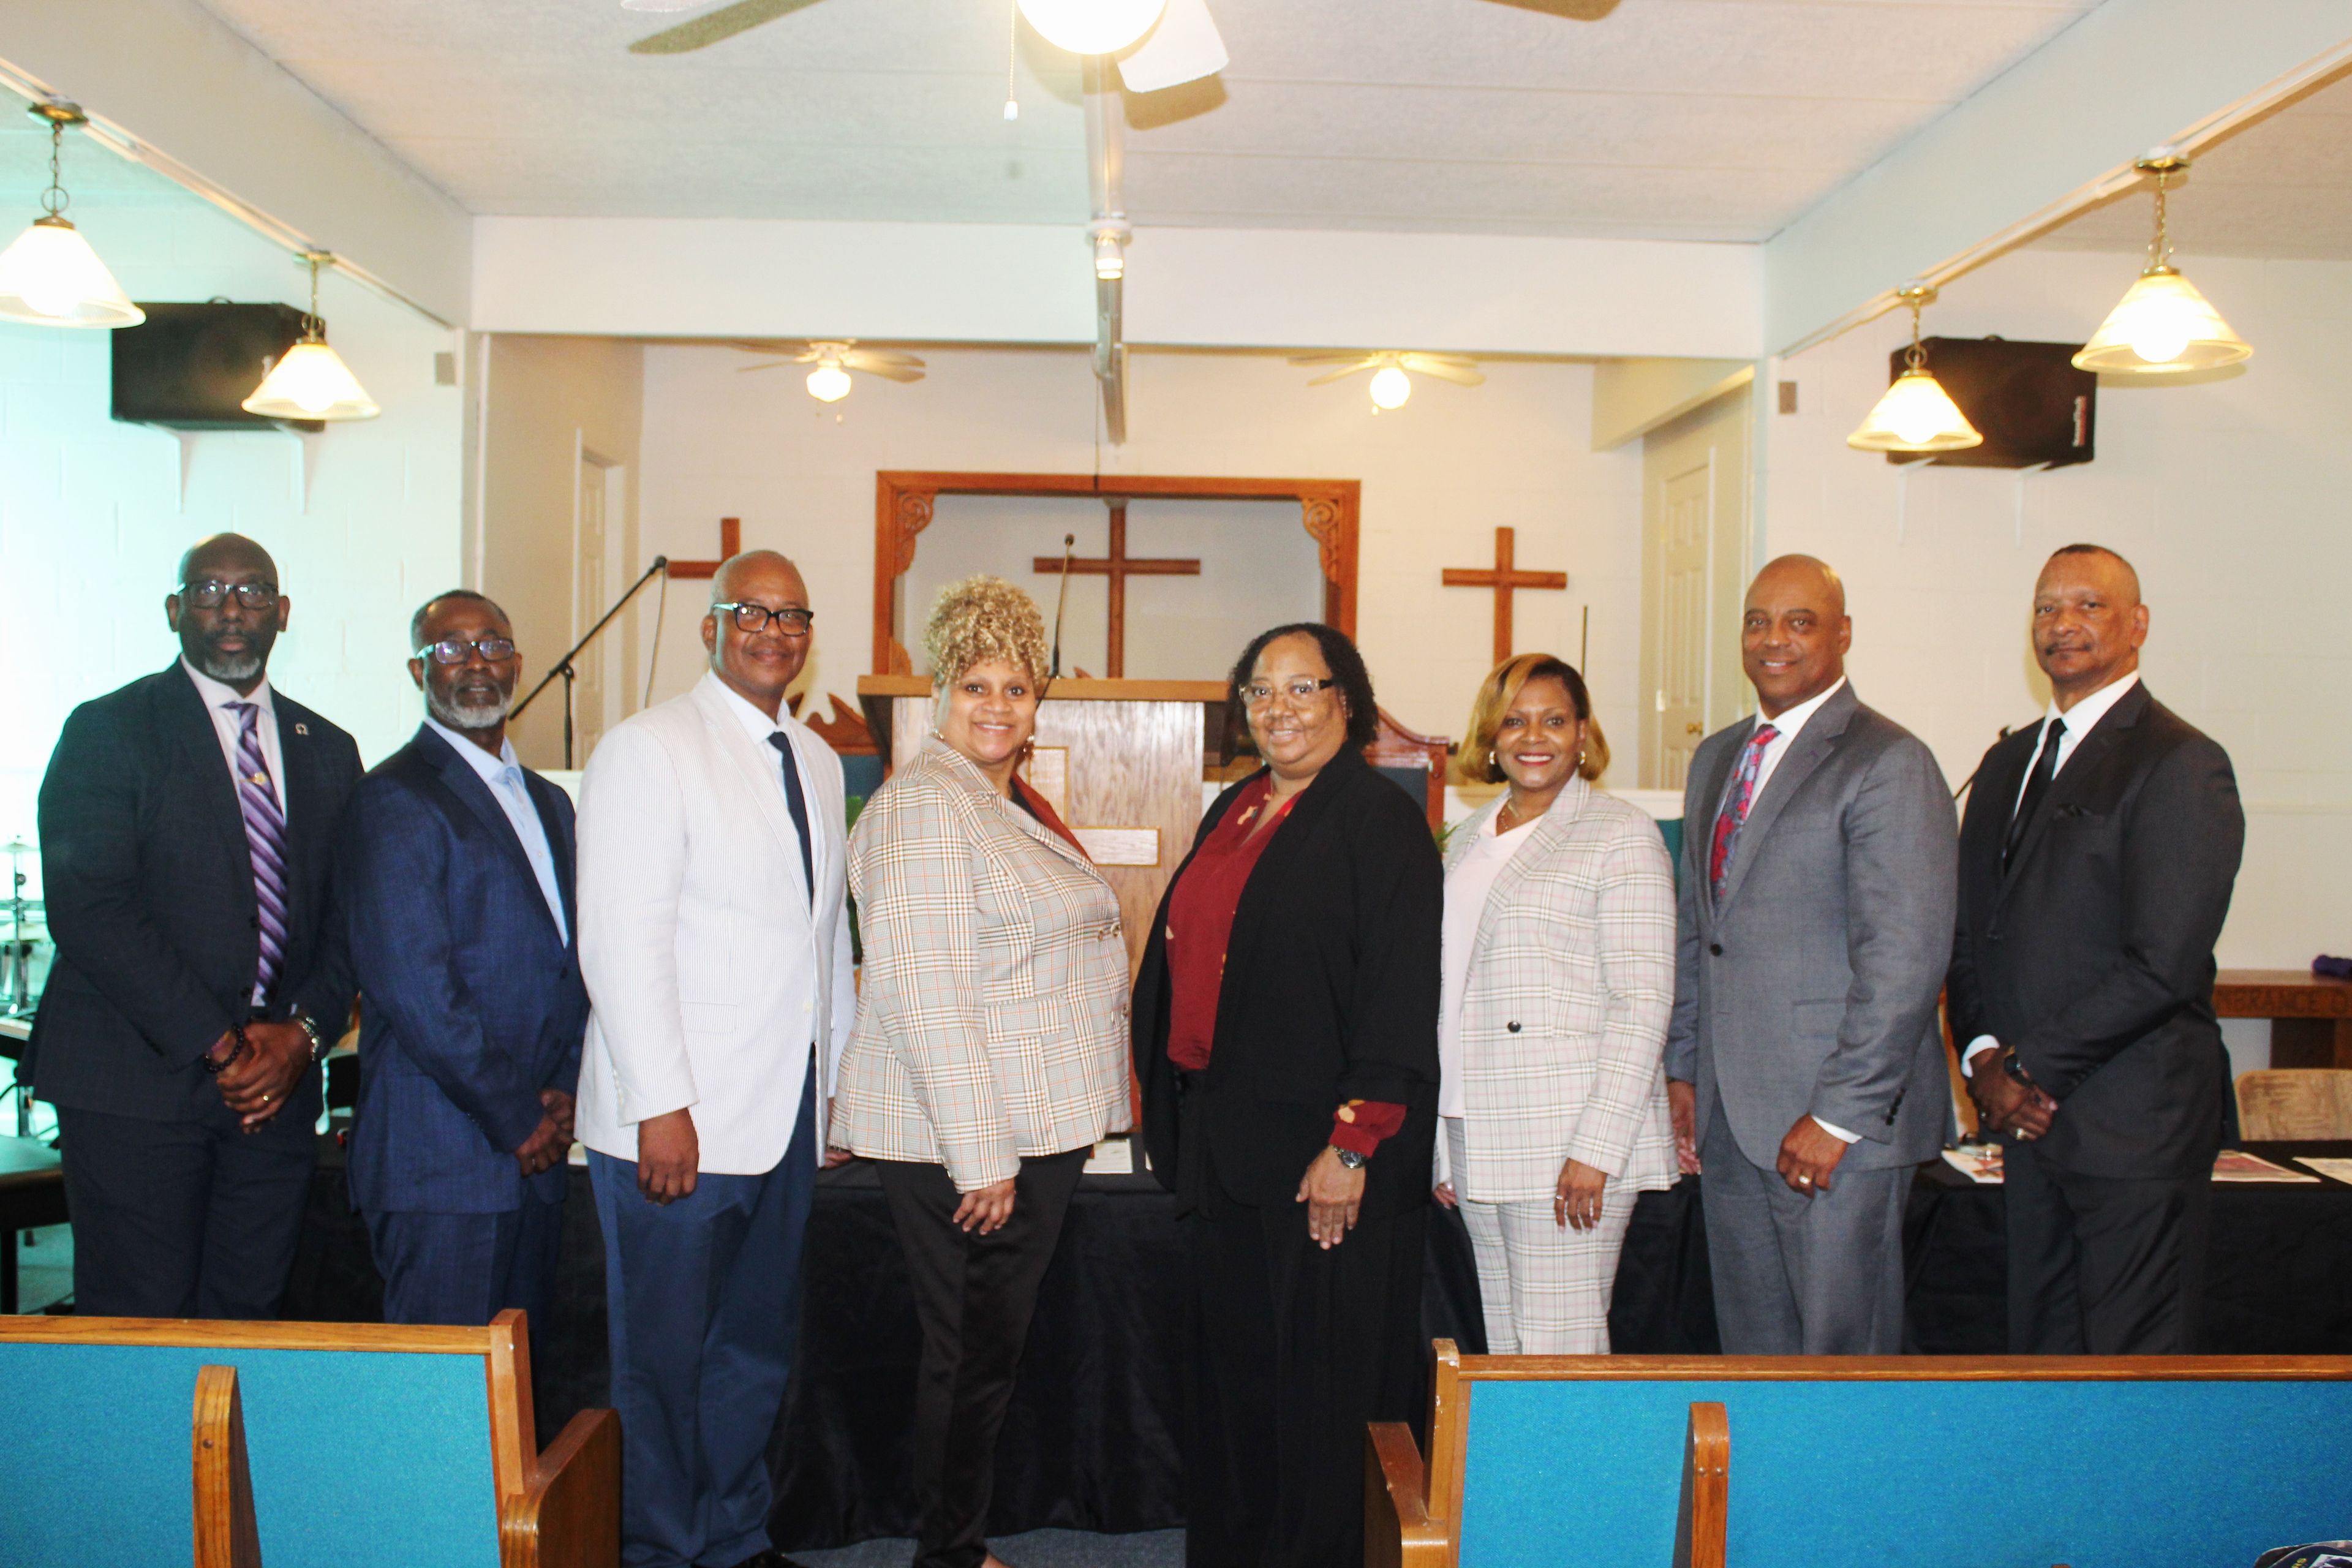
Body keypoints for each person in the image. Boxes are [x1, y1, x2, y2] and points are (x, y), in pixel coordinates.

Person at [832, 576, 1131, 1568]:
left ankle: (953, 1547)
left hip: (1021, 1129)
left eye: (1016, 688)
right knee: (968, 1364)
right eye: (976, 687)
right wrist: (983, 1160)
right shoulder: (926, 807)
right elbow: (922, 996)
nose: (997, 706)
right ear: (937, 694)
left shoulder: (996, 801)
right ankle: (947, 1556)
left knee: (981, 1362)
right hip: (974, 1140)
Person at [1133, 622, 1440, 1568]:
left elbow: (1397, 996)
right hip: (1229, 1153)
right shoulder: (1237, 806)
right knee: (1239, 1386)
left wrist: (1353, 1145)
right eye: (1261, 692)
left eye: (1303, 689)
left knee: (1319, 1394)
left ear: (1347, 700)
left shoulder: (1378, 819)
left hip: (1322, 1167)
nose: (1280, 709)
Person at [575, 550, 854, 1568]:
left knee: (748, 1351)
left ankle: (731, 1539)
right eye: (752, 613)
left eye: (793, 615)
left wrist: (833, 1094)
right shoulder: (649, 748)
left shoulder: (817, 762)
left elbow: (826, 944)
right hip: (677, 1124)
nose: (773, 632)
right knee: (661, 1361)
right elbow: (619, 936)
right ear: (711, 627)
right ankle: (656, 1547)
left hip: (779, 1117)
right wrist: (660, 1100)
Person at [26, 533, 358, 1319]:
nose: (231, 609)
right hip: (136, 1087)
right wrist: (223, 1044)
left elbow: (351, 918)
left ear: (283, 611)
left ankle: (227, 1451)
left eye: (252, 591)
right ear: (175, 610)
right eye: (208, 591)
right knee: (140, 1321)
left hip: (274, 1098)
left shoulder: (329, 748)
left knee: (248, 1318)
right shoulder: (110, 729)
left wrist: (302, 1035)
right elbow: (90, 907)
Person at [1948, 544, 2242, 1354]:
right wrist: (1981, 1058)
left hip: (2131, 1129)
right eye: (2047, 608)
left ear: (2138, 625)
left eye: (2089, 605)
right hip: (2028, 1130)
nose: (2063, 624)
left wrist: (2029, 1069)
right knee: (2041, 1362)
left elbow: (2164, 962)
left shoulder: (2181, 762)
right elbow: (1972, 935)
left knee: (2129, 1376)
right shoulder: (2007, 764)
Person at [1663, 556, 1955, 1355]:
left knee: (1841, 1364)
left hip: (1835, 1133)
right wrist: (1684, 1071)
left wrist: (1837, 1116)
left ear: (1843, 635)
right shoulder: (1718, 757)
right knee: (1756, 1362)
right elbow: (1701, 930)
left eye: (1800, 622)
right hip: (1731, 1121)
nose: (1773, 640)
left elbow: (1906, 961)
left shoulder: (1889, 762)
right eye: (1758, 621)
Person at [336, 590, 586, 1330]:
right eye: (452, 648)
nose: (476, 663)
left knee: (515, 1398)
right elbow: (414, 986)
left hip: (535, 1155)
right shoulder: (391, 798)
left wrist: (568, 1089)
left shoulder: (551, 802)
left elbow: (574, 962)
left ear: (518, 662)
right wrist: (516, 1114)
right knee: (440, 1410)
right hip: (443, 1162)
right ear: (419, 668)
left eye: (493, 645)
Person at [1432, 654, 1676, 1354]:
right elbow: (1451, 995)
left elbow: (1643, 1001)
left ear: (1582, 734)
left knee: (1559, 1352)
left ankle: (1578, 1471)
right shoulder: (1469, 839)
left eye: (1554, 719)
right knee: (1506, 1350)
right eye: (1514, 719)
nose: (1533, 736)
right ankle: (1518, 1471)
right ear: (1490, 735)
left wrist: (1596, 1149)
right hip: (1477, 1130)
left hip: (1567, 1140)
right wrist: (1443, 1147)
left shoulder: (1621, 834)